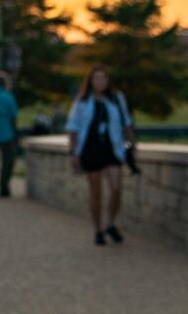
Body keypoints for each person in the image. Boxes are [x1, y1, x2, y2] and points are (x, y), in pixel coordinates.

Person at [65, 67, 137, 245]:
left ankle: (110, 223)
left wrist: (132, 144)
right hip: (90, 150)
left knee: (116, 189)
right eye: (97, 79)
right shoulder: (82, 101)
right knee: (96, 193)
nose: (100, 82)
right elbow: (73, 128)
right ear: (90, 81)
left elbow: (126, 122)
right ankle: (97, 229)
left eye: (103, 79)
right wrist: (73, 153)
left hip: (112, 149)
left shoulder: (116, 99)